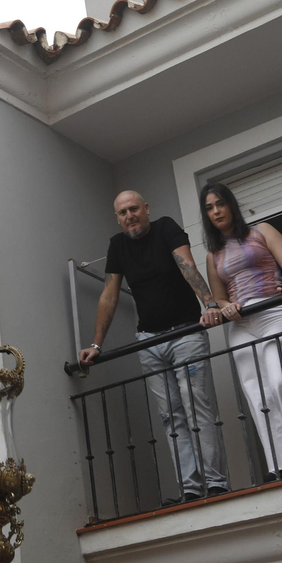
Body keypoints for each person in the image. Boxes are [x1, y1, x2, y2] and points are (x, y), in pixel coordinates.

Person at [78, 191, 229, 503]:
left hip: (186, 332)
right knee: (170, 416)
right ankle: (190, 488)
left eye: (134, 209)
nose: (129, 215)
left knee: (196, 408)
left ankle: (216, 484)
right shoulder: (118, 245)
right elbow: (109, 293)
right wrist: (96, 343)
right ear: (117, 218)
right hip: (150, 341)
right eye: (122, 212)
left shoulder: (166, 228)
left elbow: (187, 266)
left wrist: (211, 305)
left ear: (146, 209)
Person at [201, 182, 282, 479]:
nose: (216, 211)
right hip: (240, 324)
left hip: (274, 311)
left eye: (220, 203)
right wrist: (224, 306)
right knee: (259, 396)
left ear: (231, 204)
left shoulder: (262, 231)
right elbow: (218, 296)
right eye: (209, 207)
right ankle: (281, 466)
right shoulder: (212, 254)